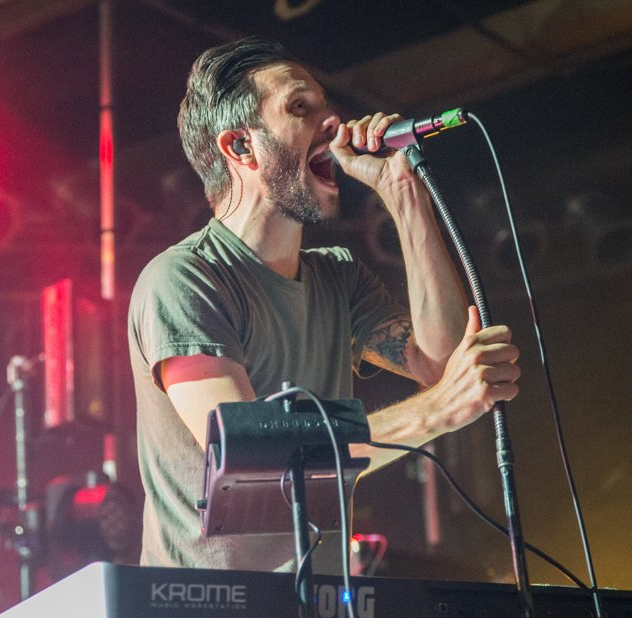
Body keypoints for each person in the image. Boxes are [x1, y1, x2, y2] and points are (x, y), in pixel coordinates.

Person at [127, 37, 521, 572]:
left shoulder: (338, 276)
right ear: (241, 147)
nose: (333, 121)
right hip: (210, 616)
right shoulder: (184, 279)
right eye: (300, 107)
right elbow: (253, 461)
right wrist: (435, 411)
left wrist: (403, 194)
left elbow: (444, 363)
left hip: (324, 608)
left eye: (325, 105)